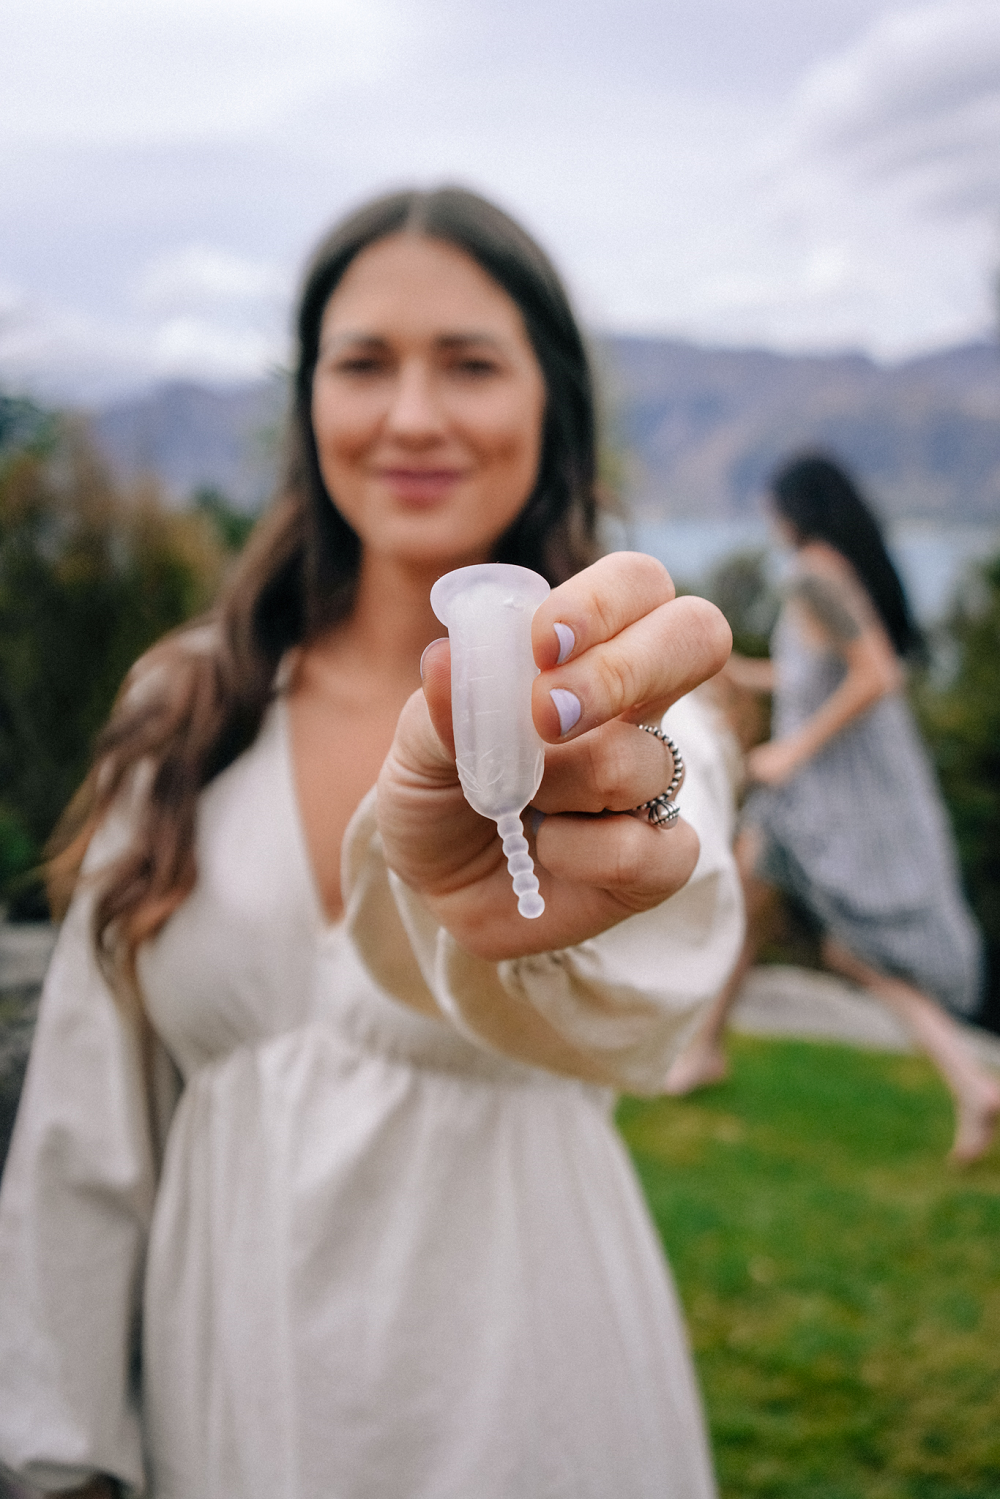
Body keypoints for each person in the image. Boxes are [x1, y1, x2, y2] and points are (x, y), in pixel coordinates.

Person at [0, 188, 742, 1498]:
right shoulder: (183, 706)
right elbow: (84, 1121)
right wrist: (59, 1452)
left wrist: (614, 838)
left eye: (468, 362)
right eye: (363, 364)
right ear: (310, 411)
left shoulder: (630, 694)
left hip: (541, 1391)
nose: (410, 415)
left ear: (548, 403)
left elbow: (655, 979)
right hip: (237, 1395)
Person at [665, 454, 1000, 1164]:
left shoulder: (813, 572)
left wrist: (791, 751)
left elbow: (875, 671)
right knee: (751, 910)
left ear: (795, 509)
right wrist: (738, 673)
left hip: (827, 794)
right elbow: (815, 669)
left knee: (828, 939)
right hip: (830, 790)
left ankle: (971, 1081)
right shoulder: (835, 570)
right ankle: (706, 1049)